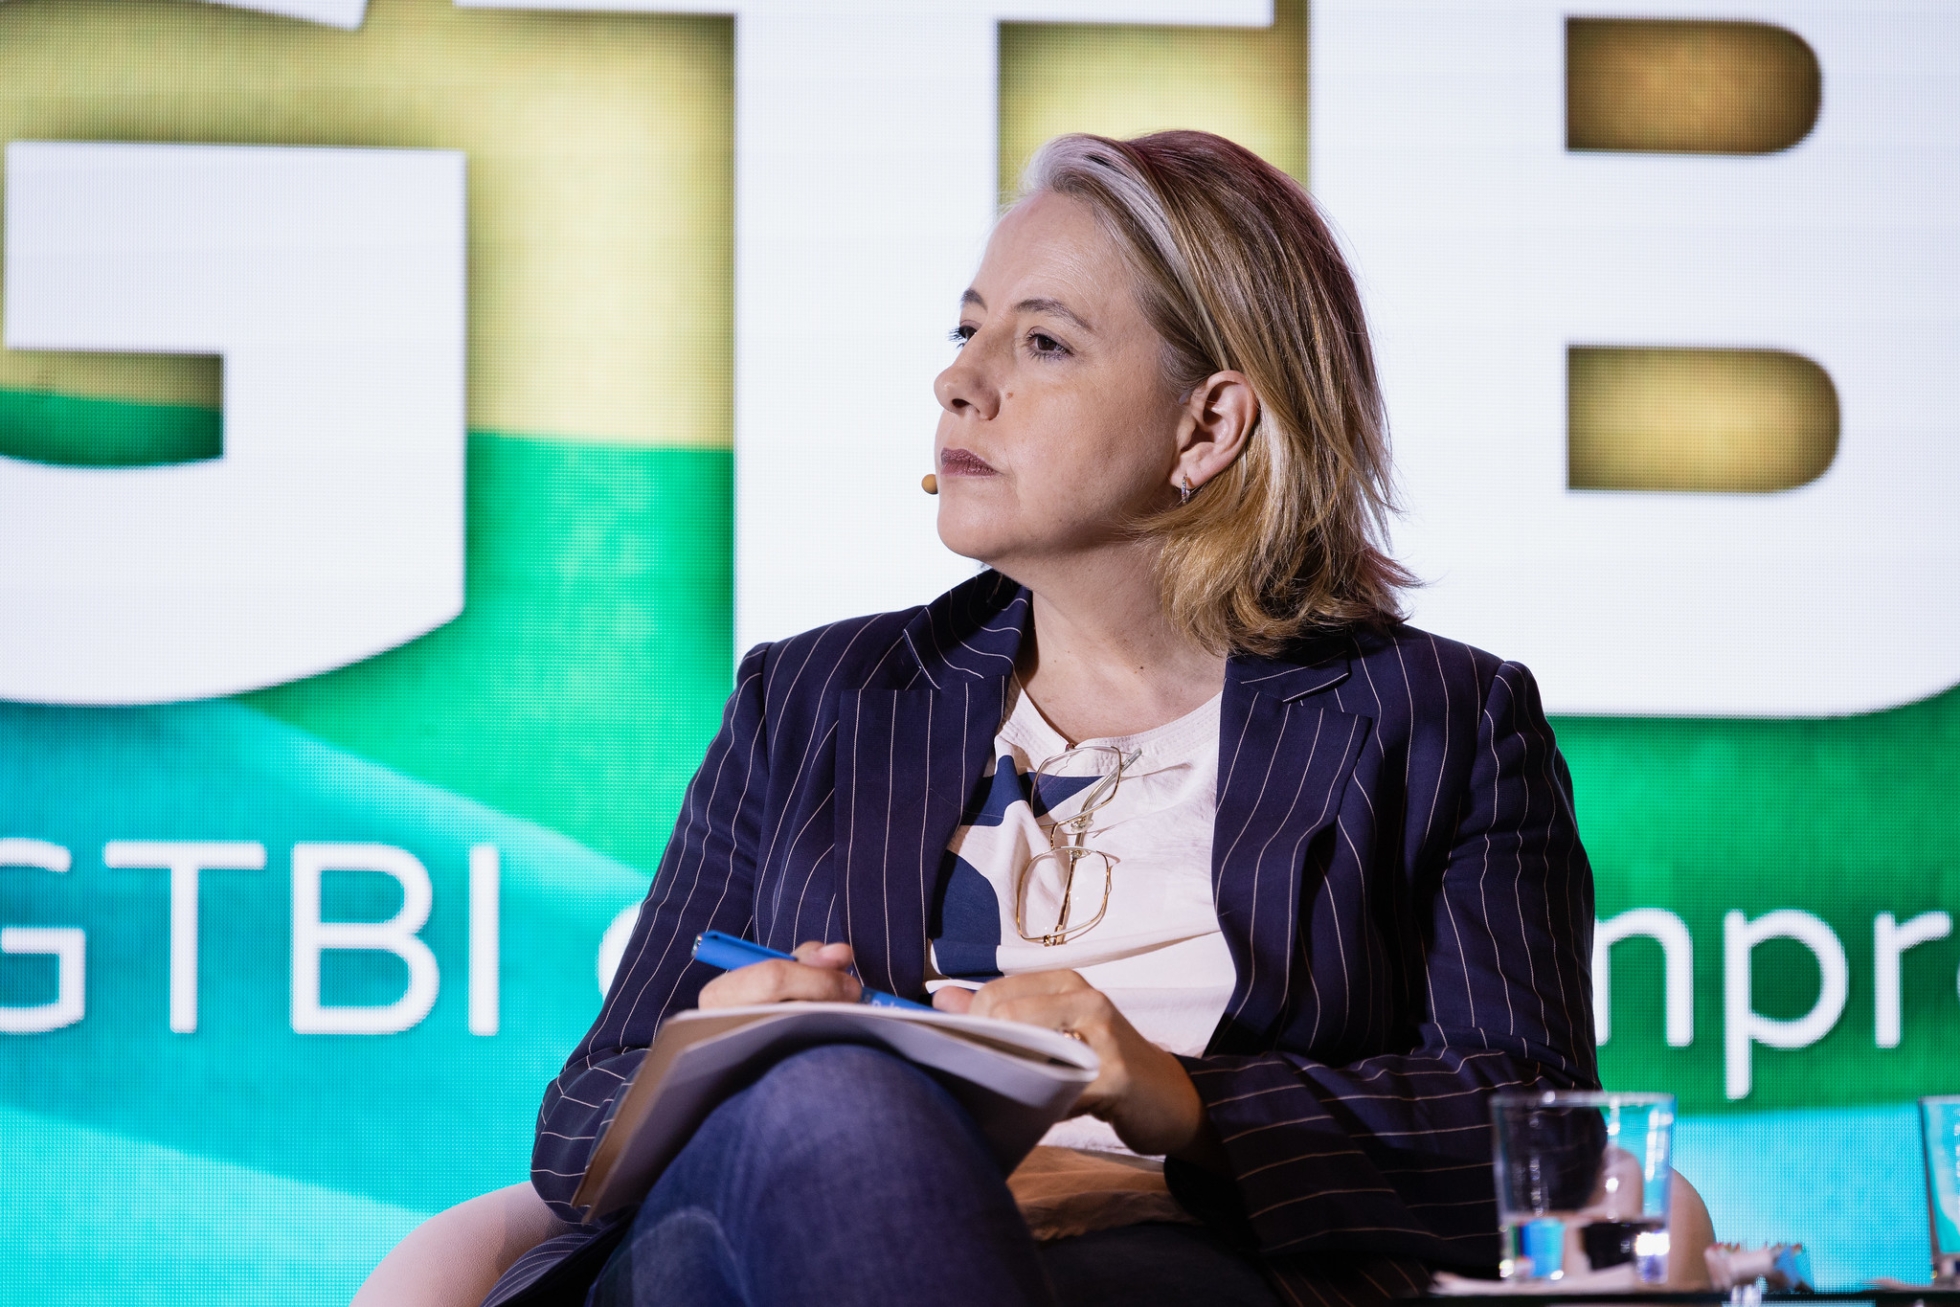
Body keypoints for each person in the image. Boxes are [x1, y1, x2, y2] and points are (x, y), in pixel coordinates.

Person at [484, 130, 1598, 1307]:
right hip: (750, 1251)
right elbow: (578, 1125)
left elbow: (1540, 1139)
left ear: (1208, 426)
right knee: (834, 1094)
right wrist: (713, 1051)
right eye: (965, 332)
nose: (959, 381)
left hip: (1167, 1265)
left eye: (1043, 342)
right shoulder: (812, 697)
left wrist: (1183, 1099)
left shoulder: (1441, 722)